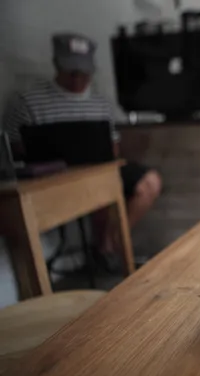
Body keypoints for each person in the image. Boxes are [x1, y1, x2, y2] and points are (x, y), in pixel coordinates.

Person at [2, 32, 161, 255]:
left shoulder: (101, 103)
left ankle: (109, 243)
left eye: (84, 72)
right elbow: (13, 151)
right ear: (57, 65)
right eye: (71, 72)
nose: (77, 79)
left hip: (97, 172)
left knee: (147, 183)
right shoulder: (26, 101)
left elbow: (112, 149)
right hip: (50, 180)